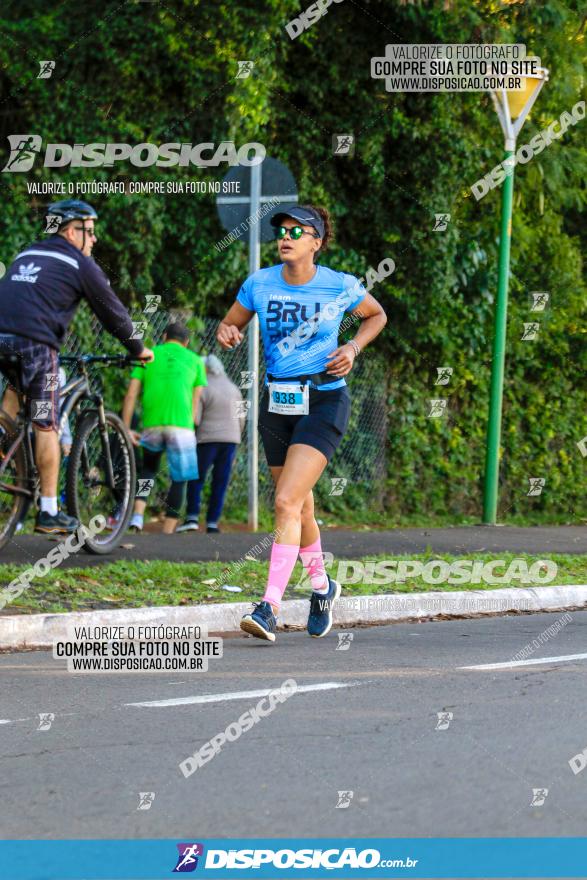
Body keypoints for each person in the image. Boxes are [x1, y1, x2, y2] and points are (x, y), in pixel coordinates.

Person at [217, 204, 387, 643]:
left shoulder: (339, 285)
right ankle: (322, 587)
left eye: (298, 230)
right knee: (301, 506)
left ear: (317, 242)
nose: (286, 236)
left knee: (286, 502)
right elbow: (230, 323)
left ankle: (269, 606)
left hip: (324, 400)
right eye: (282, 230)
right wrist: (228, 332)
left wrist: (352, 347)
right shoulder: (259, 283)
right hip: (278, 402)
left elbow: (377, 315)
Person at [0, 199, 153, 535]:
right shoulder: (78, 263)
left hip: (3, 341)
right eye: (91, 232)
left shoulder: (26, 255)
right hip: (35, 346)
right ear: (72, 231)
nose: (94, 240)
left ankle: (3, 444)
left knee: (15, 389)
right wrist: (139, 350)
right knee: (46, 425)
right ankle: (50, 511)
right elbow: (113, 313)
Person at [123, 321, 207, 534]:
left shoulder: (148, 356)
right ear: (186, 343)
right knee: (180, 477)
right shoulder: (196, 360)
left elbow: (131, 394)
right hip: (181, 425)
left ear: (163, 336)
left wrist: (124, 426)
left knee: (148, 470)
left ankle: (137, 517)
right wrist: (192, 426)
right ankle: (168, 531)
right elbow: (195, 401)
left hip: (152, 423)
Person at [176, 354, 245, 534]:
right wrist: (237, 434)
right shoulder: (234, 388)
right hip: (231, 439)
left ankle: (192, 516)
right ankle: (212, 522)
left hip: (207, 440)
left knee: (196, 478)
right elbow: (242, 418)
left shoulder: (202, 388)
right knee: (220, 481)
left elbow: (196, 418)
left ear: (204, 369)